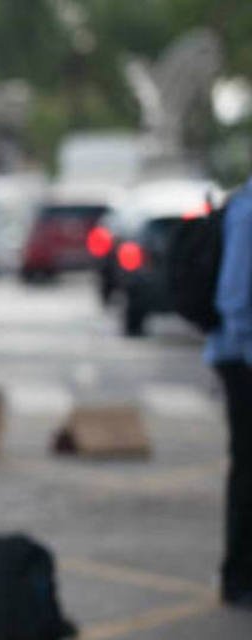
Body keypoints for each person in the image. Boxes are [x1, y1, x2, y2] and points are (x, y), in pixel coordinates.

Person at [206, 179, 252, 608]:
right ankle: (238, 576)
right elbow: (234, 297)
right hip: (241, 360)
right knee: (248, 470)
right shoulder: (248, 210)